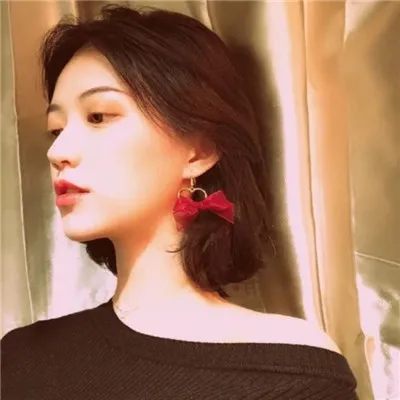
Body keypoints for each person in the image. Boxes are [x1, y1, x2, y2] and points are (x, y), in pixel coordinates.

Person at [1, 4, 358, 399]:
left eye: (98, 116)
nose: (58, 152)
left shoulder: (290, 372)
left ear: (199, 150)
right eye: (56, 129)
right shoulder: (21, 361)